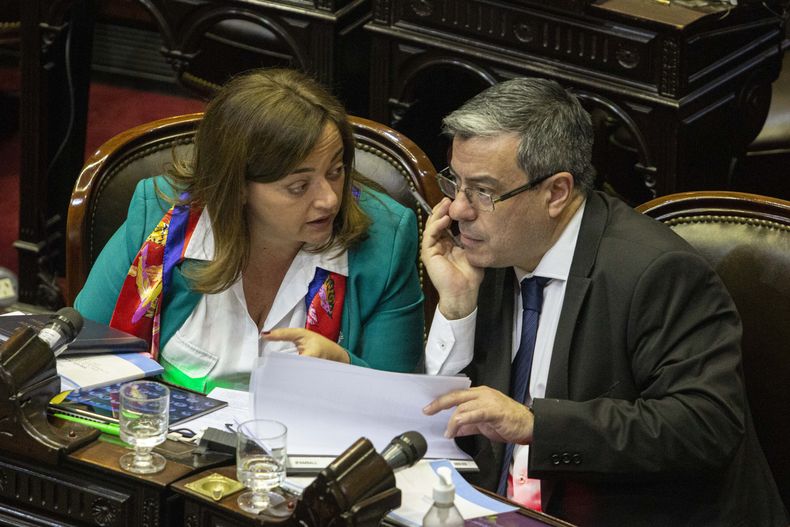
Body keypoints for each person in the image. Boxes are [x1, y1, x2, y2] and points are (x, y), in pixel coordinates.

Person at [420, 78, 787, 526]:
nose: (458, 209)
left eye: (483, 190)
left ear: (556, 192)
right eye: (455, 183)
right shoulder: (488, 256)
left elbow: (705, 424)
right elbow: (446, 427)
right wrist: (457, 307)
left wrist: (538, 424)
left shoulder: (656, 272)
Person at [75, 68, 424, 394]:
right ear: (238, 187)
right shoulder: (160, 217)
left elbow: (395, 397)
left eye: (335, 171)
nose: (329, 200)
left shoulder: (385, 239)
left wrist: (344, 364)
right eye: (299, 186)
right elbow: (85, 349)